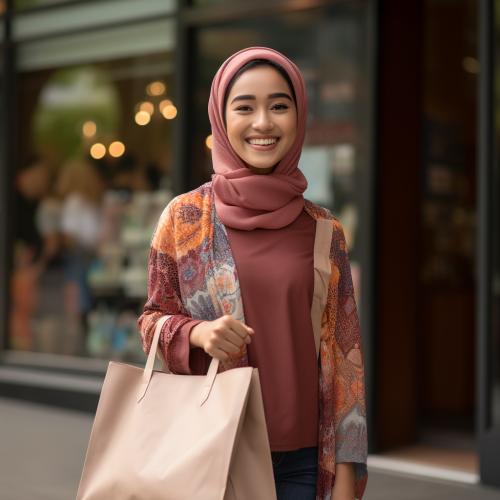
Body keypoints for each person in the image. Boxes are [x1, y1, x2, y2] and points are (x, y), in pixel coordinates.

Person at [138, 47, 367, 500]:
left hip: (304, 461)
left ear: (298, 117)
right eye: (245, 107)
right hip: (209, 452)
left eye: (279, 106)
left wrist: (345, 473)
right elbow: (150, 321)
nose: (263, 122)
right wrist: (197, 334)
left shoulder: (325, 232)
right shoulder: (183, 219)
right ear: (221, 119)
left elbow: (346, 361)